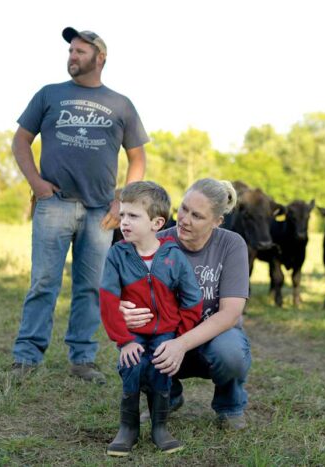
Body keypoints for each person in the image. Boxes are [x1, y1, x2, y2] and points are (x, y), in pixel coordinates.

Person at [11, 27, 148, 384]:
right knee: (43, 282)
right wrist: (36, 184)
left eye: (81, 51)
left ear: (100, 58)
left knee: (91, 287)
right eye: (71, 51)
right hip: (54, 204)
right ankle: (27, 357)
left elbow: (137, 159)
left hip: (101, 212)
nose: (73, 56)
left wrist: (123, 202)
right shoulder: (49, 94)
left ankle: (82, 359)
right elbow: (21, 141)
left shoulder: (121, 104)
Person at [121, 178, 252, 430]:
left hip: (213, 335)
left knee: (231, 353)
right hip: (166, 335)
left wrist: (181, 344)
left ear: (216, 222)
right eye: (183, 209)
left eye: (197, 216)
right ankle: (166, 395)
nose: (184, 219)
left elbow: (231, 314)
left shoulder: (231, 245)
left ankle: (230, 405)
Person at [100, 181, 202, 456]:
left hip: (166, 331)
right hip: (132, 331)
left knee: (161, 366)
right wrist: (123, 340)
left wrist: (180, 336)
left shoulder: (173, 257)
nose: (124, 222)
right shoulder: (117, 254)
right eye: (122, 215)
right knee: (131, 363)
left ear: (157, 223)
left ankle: (160, 427)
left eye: (133, 216)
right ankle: (128, 427)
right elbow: (108, 300)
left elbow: (193, 299)